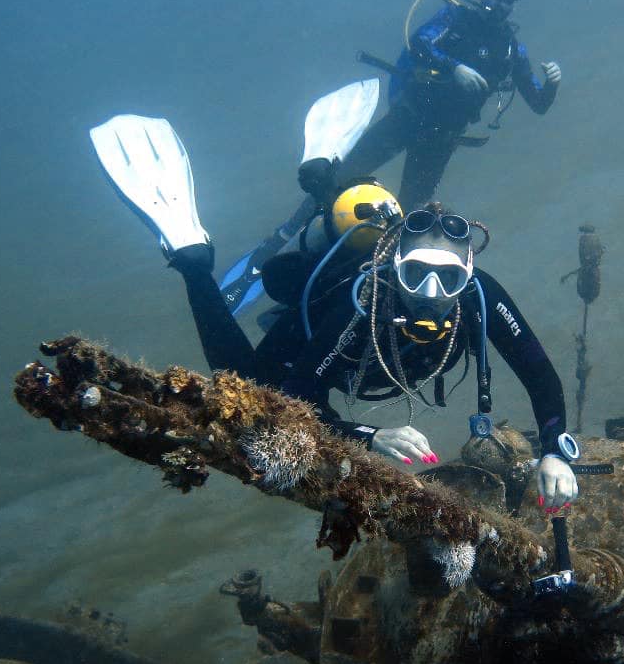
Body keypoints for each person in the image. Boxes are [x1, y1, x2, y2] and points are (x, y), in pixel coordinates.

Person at [172, 193, 580, 514]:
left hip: (361, 368)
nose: (432, 294)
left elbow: (540, 375)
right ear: (396, 266)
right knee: (252, 395)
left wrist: (553, 452)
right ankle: (193, 261)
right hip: (308, 344)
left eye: (450, 277)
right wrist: (370, 437)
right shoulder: (362, 300)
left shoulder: (481, 295)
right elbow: (299, 396)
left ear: (468, 274)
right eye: (416, 274)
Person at [301, 0, 561, 210]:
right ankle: (303, 225)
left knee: (413, 211)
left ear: (514, 3)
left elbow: (539, 104)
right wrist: (455, 67)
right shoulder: (455, 17)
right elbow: (419, 43)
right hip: (408, 116)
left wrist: (552, 84)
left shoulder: (512, 50)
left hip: (442, 138)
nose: (500, 1)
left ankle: (379, 252)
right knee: (343, 178)